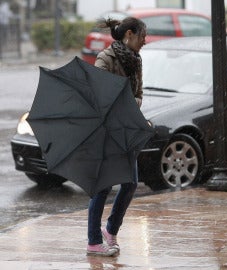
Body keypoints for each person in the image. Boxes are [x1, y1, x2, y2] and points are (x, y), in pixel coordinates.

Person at [86, 16, 146, 257]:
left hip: (126, 130)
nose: (145, 41)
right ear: (129, 34)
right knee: (103, 186)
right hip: (107, 131)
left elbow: (138, 92)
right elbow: (98, 95)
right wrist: (124, 102)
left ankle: (110, 230)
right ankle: (93, 241)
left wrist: (136, 101)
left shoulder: (136, 60)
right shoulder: (105, 59)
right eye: (142, 36)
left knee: (130, 183)